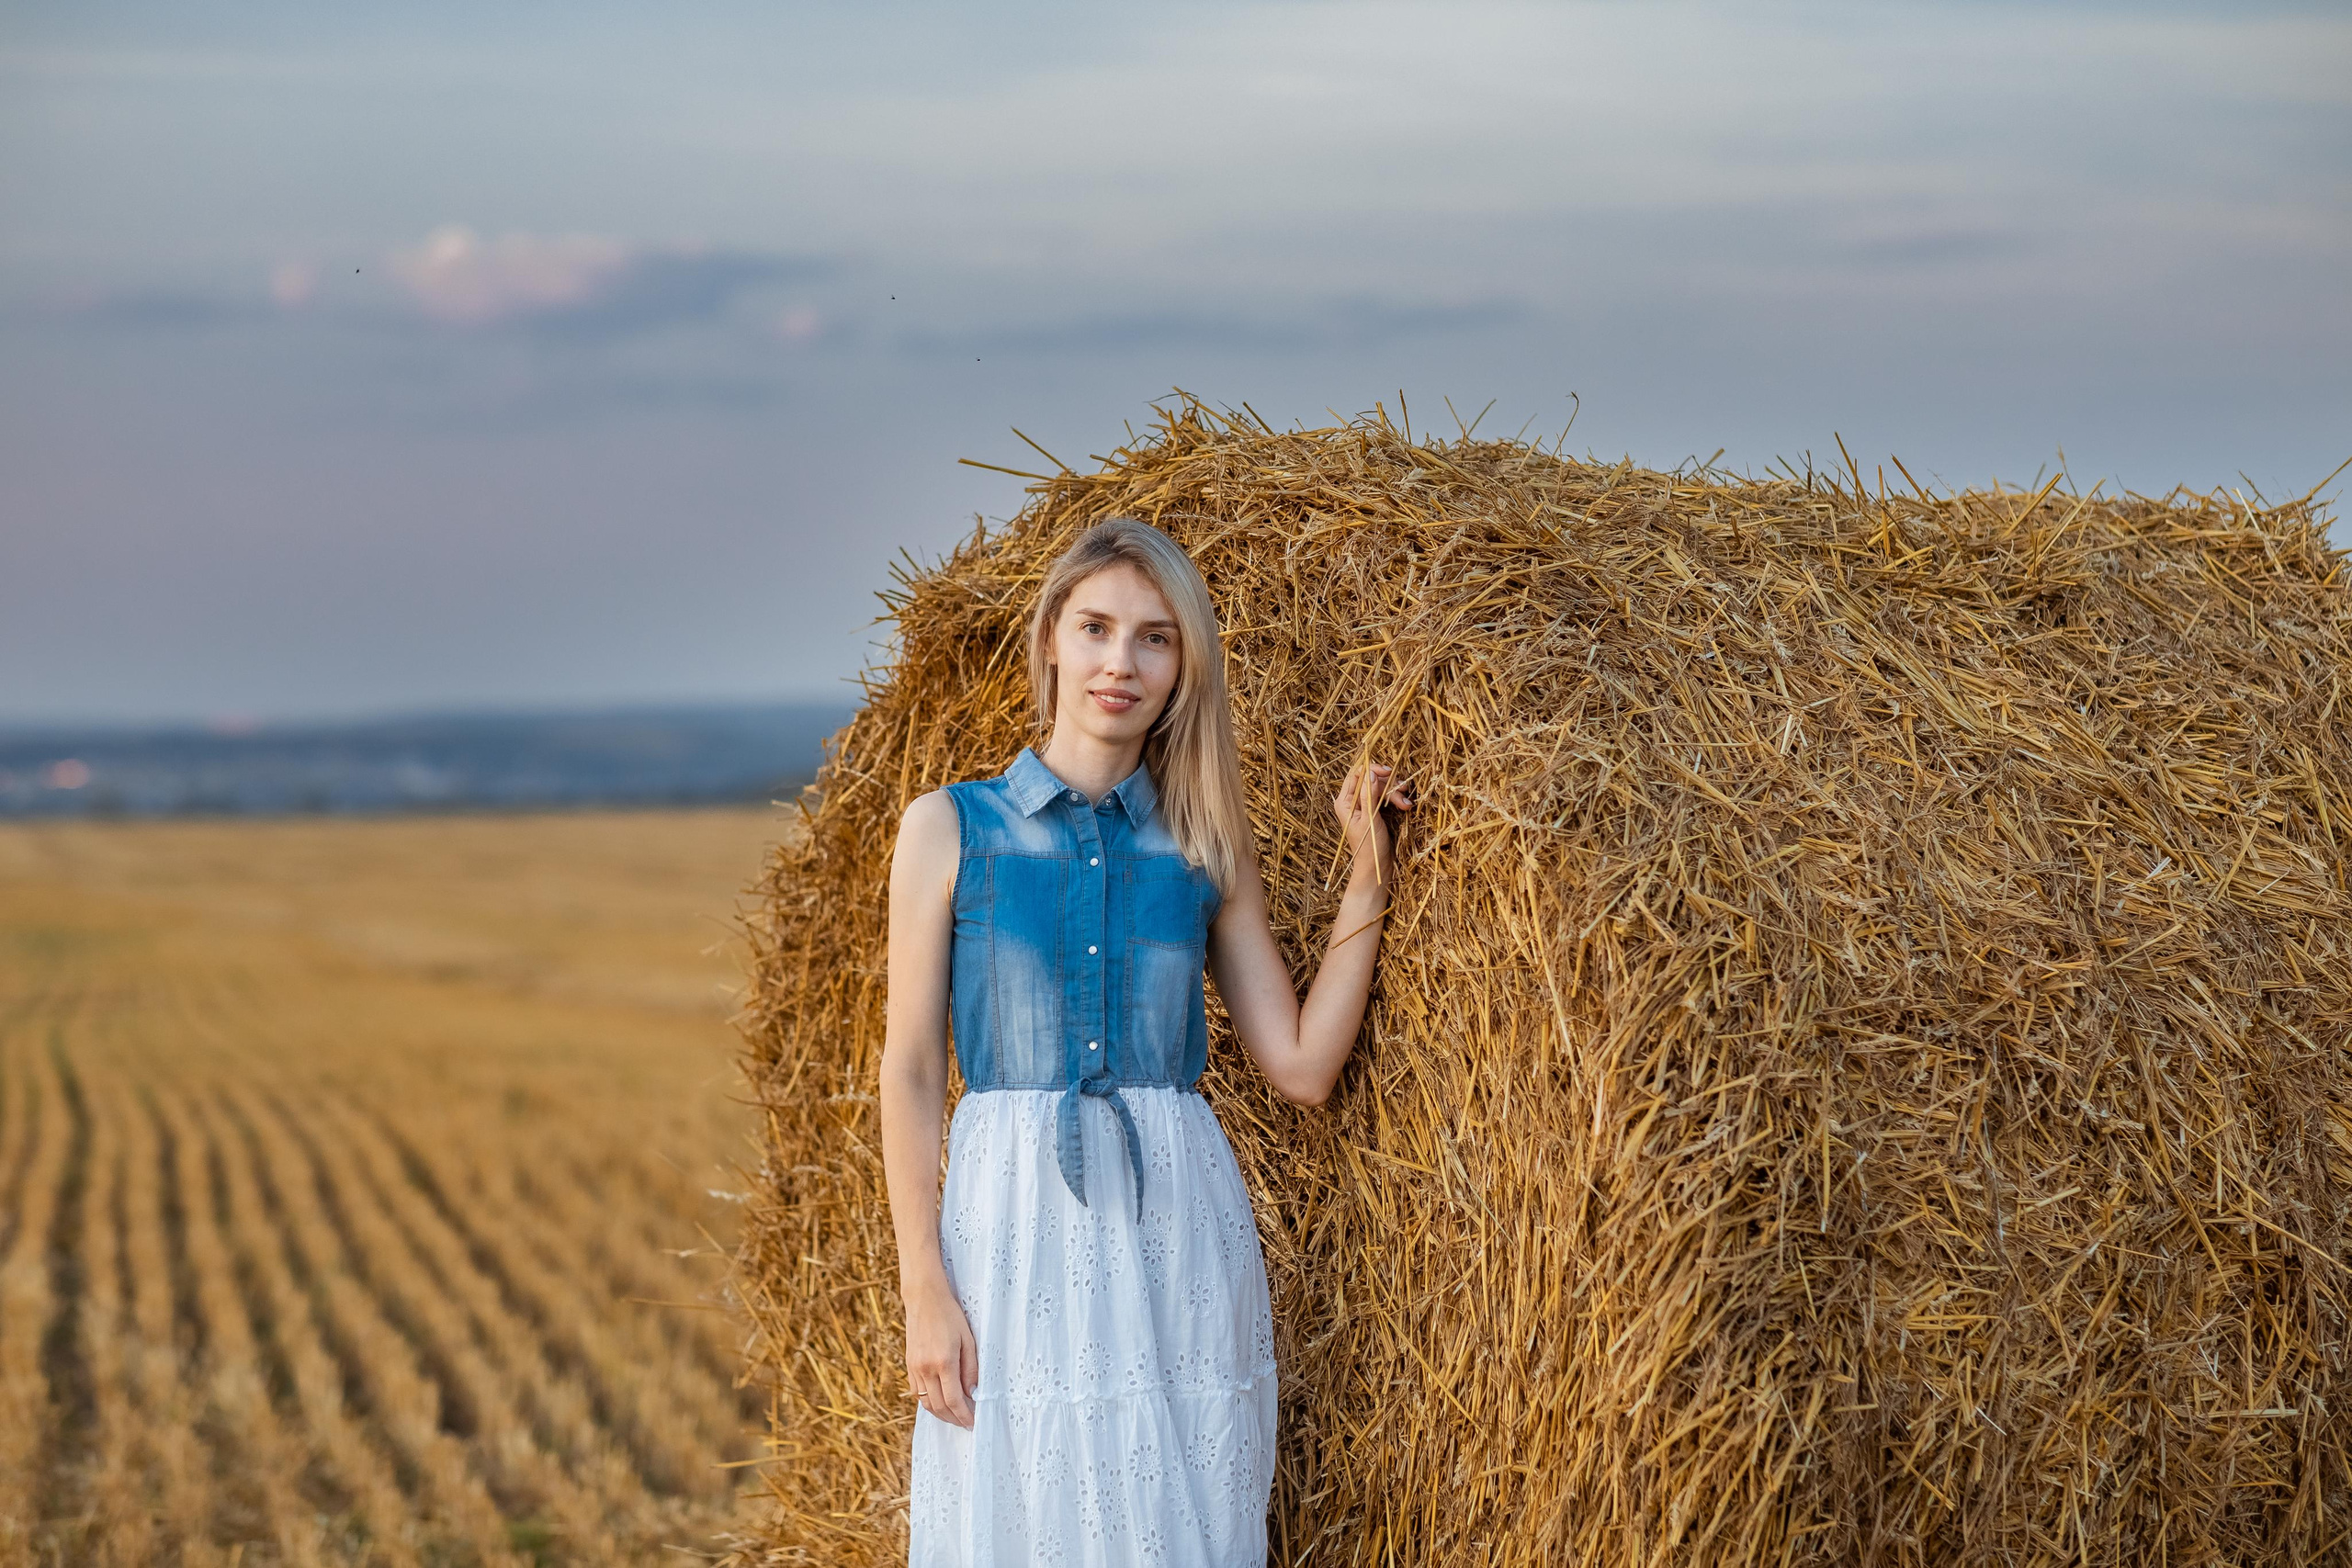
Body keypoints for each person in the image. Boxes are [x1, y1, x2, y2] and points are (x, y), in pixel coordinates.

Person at [877, 516, 1412, 1566]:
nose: (1120, 663)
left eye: (1154, 638)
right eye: (1095, 629)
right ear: (1049, 642)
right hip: (1009, 1225)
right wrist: (921, 1286)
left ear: (1184, 666)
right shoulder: (948, 828)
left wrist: (1367, 878)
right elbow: (905, 1069)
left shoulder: (1203, 843)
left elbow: (1301, 1067)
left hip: (1175, 1217)